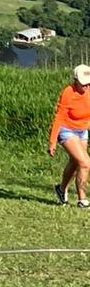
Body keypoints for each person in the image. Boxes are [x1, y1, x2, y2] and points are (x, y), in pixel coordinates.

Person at [50, 64, 90, 208]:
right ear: (75, 81)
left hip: (82, 130)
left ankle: (61, 190)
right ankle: (82, 200)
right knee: (85, 163)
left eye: (89, 84)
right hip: (66, 130)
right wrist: (52, 141)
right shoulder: (68, 92)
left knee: (75, 163)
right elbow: (59, 117)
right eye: (84, 84)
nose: (87, 87)